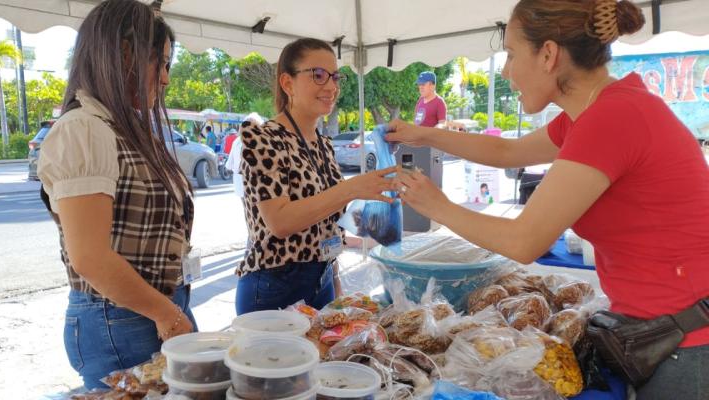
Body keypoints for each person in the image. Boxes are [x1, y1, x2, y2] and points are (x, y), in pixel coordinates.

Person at [388, 1, 709, 398]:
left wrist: (436, 206)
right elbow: (508, 152)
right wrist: (422, 134)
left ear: (548, 55)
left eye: (511, 54)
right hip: (658, 331)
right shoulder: (595, 111)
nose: (506, 71)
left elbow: (524, 241)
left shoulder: (611, 117)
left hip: (687, 342)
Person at [36, 0, 196, 389]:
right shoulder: (83, 129)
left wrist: (170, 311)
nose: (165, 79)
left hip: (151, 310)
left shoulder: (121, 126)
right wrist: (167, 314)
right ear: (124, 53)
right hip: (121, 318)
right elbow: (90, 257)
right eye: (161, 63)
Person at [235, 38, 396, 315]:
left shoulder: (323, 144)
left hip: (322, 279)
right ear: (288, 83)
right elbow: (280, 222)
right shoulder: (262, 138)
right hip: (274, 285)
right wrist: (351, 189)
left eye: (335, 77)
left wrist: (336, 287)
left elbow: (327, 223)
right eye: (319, 75)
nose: (332, 86)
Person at [227, 113, 264, 200]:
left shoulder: (237, 141)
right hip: (256, 184)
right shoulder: (262, 140)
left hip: (241, 182)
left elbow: (229, 164)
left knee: (246, 205)